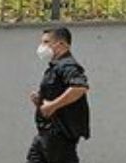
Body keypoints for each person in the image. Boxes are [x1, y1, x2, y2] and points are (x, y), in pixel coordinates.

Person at [29, 27, 90, 163]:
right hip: (46, 133)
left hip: (59, 135)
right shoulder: (55, 67)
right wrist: (40, 101)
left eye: (46, 42)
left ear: (61, 44)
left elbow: (79, 87)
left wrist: (52, 105)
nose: (42, 47)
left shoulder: (68, 66)